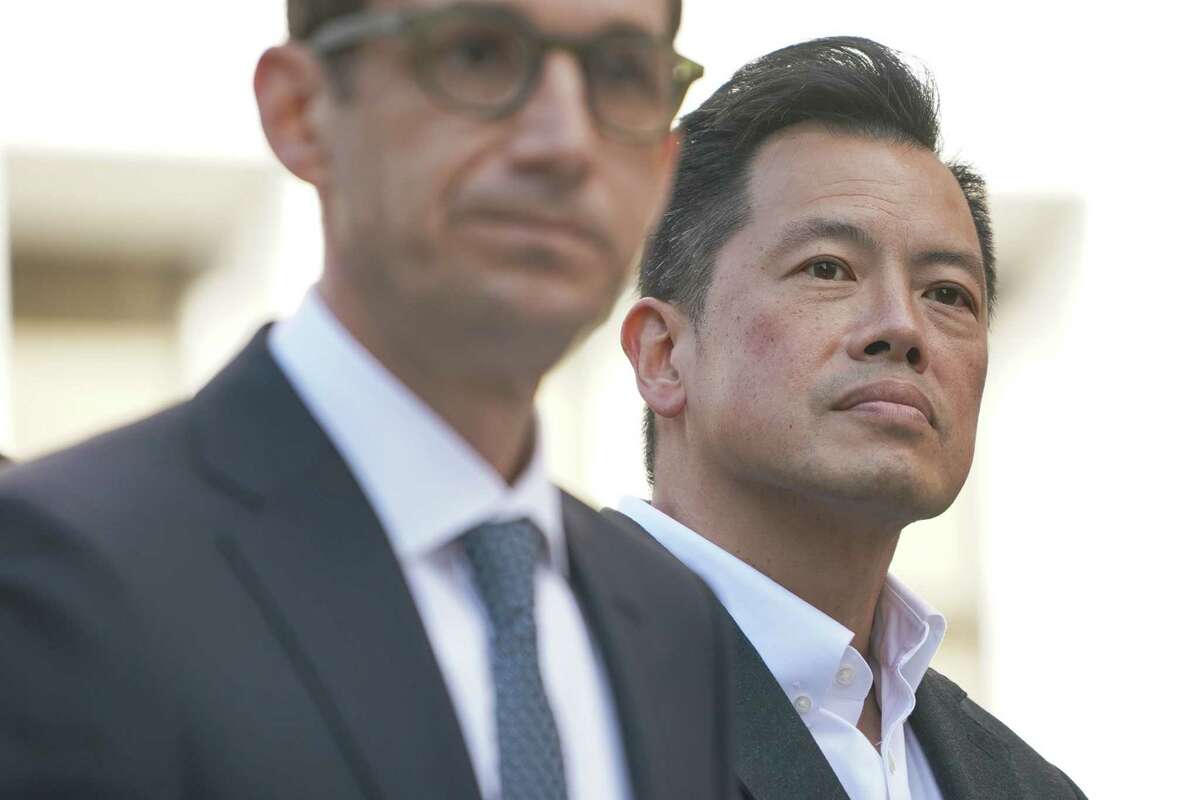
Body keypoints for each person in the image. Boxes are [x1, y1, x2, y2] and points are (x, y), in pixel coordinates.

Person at [0, 1, 735, 798]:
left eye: (622, 73)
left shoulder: (673, 622)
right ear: (300, 110)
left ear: (663, 164)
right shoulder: (68, 572)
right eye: (479, 54)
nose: (564, 142)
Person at [608, 37, 1085, 799]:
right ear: (663, 354)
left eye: (948, 294)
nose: (901, 326)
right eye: (827, 268)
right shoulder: (524, 680)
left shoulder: (1028, 787)